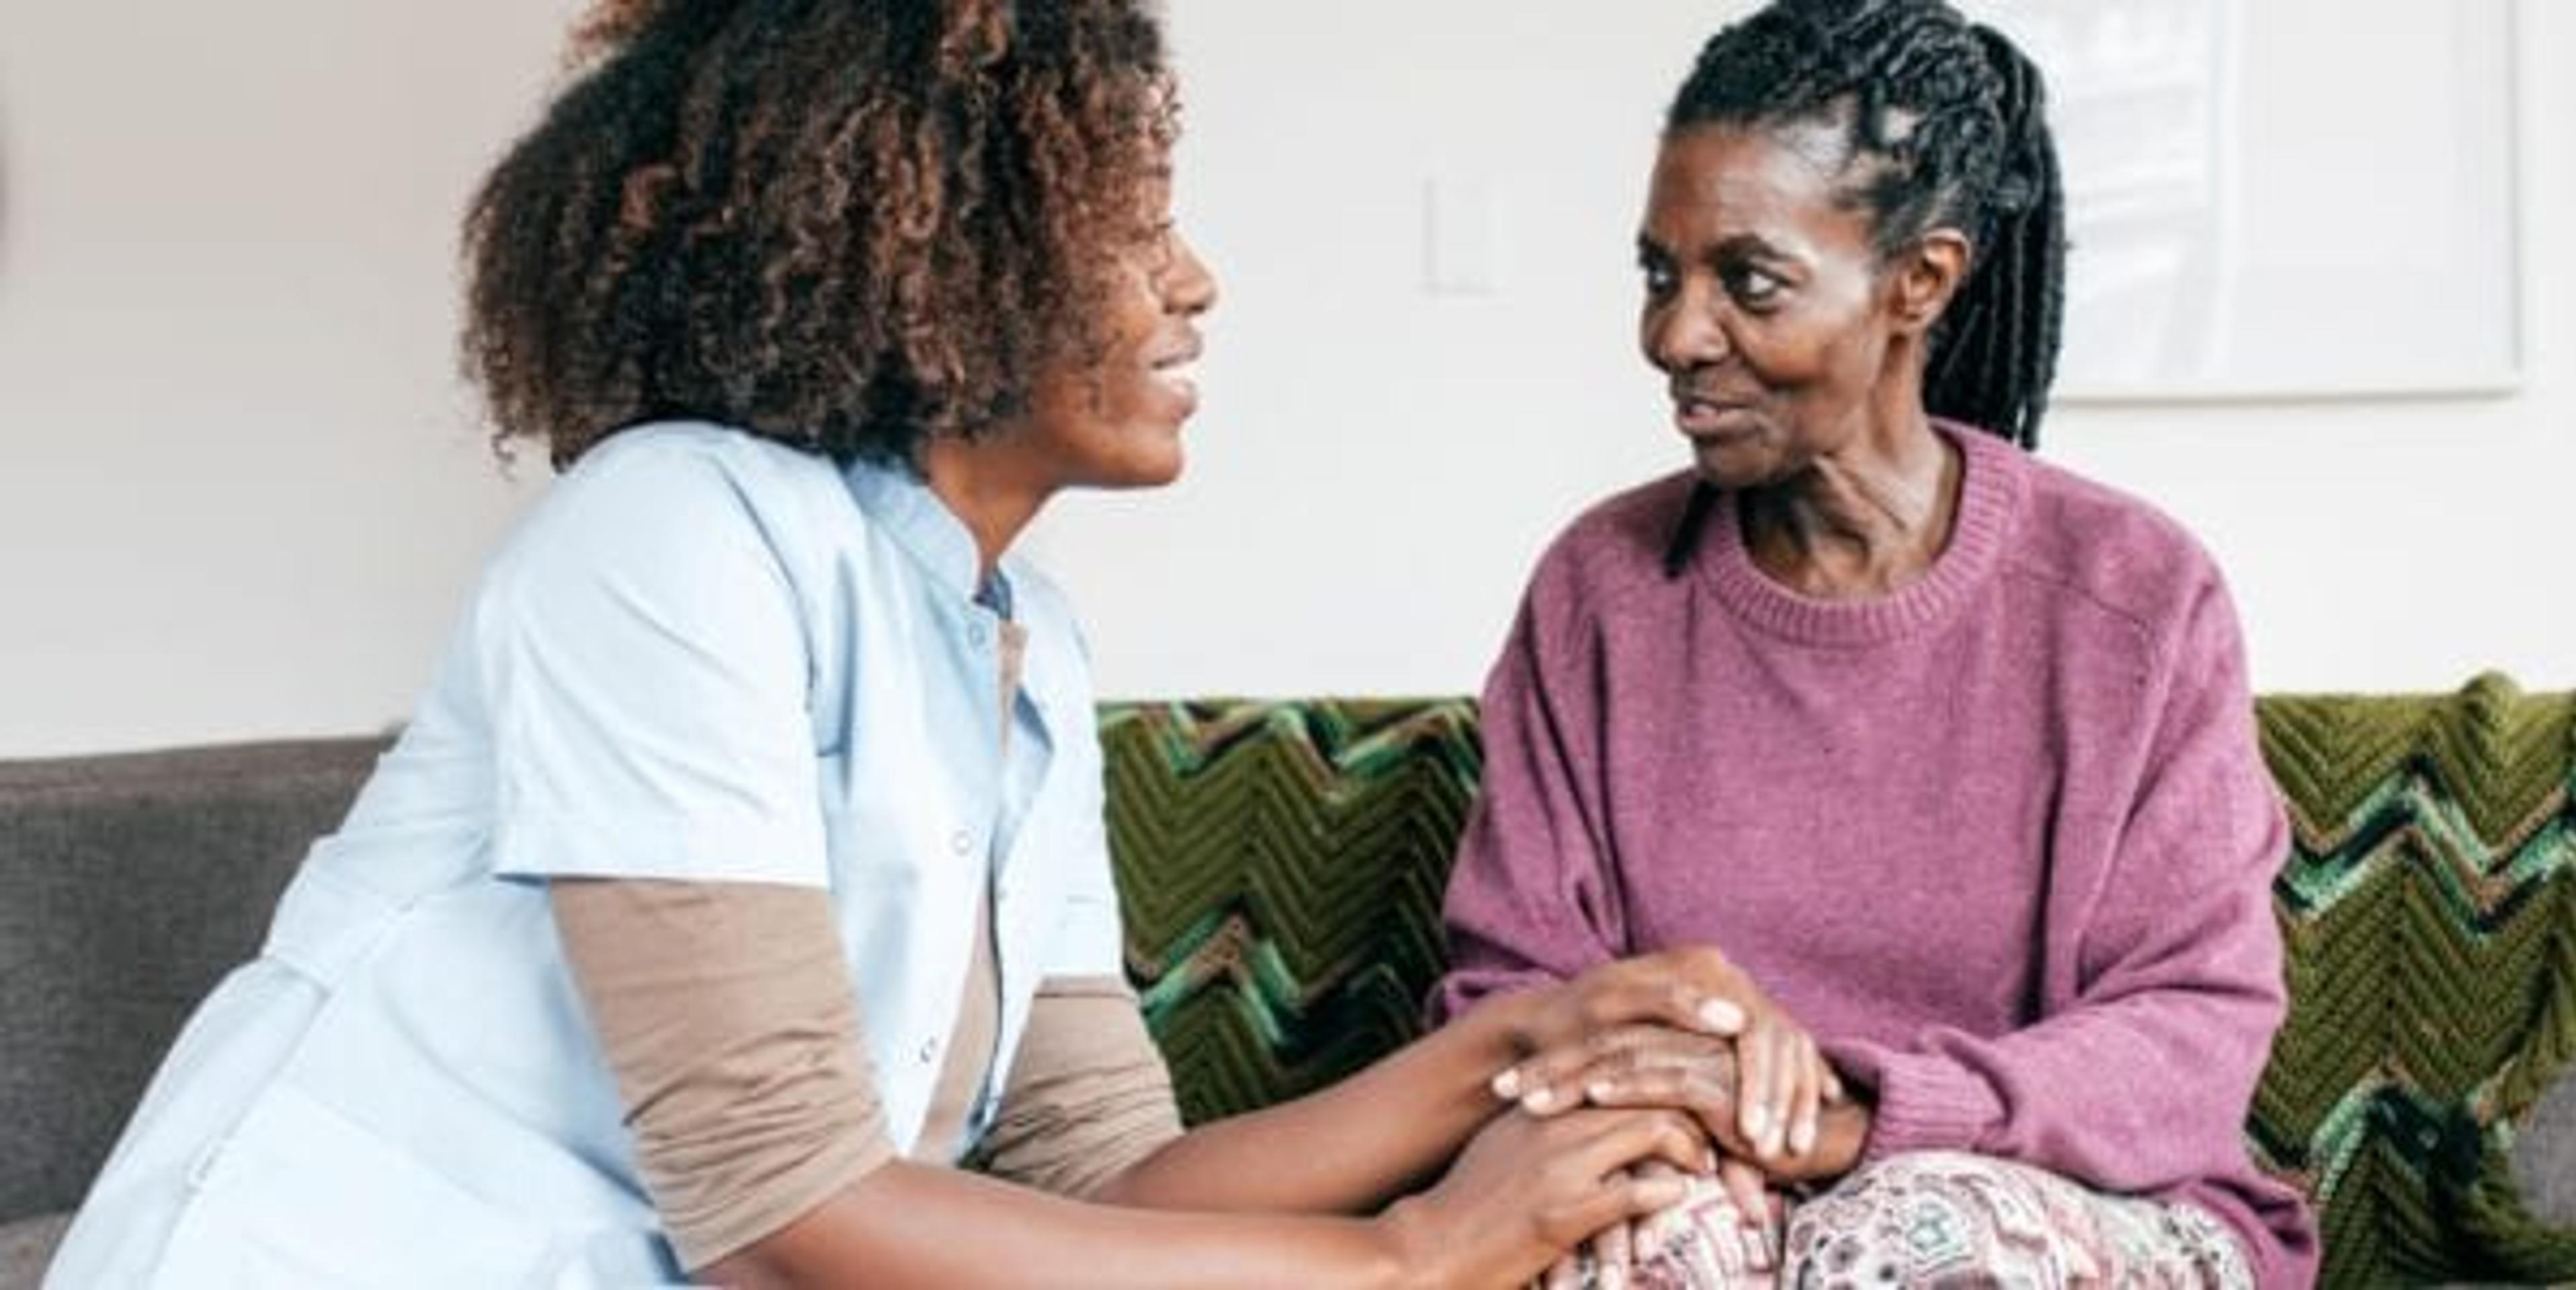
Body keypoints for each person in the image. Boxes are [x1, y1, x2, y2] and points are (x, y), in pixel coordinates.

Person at [44, 3, 1743, 1286]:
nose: (1198, 281)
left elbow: (1098, 1178)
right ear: (947, 257)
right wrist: (1407, 1256)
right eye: (1136, 223)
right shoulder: (672, 534)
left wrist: (1522, 1050)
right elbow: (783, 1209)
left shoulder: (1029, 650)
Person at [1431, 1, 2319, 1285]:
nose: (1675, 335)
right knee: (1645, 1229)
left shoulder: (2135, 597)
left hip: (2089, 1203)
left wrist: (1866, 1117)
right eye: (1658, 274)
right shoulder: (1600, 593)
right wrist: (1706, 1110)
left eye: (1749, 280)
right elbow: (1507, 1004)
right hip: (1714, 1176)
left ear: (1920, 282)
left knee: (1901, 1235)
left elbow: (2192, 1029)